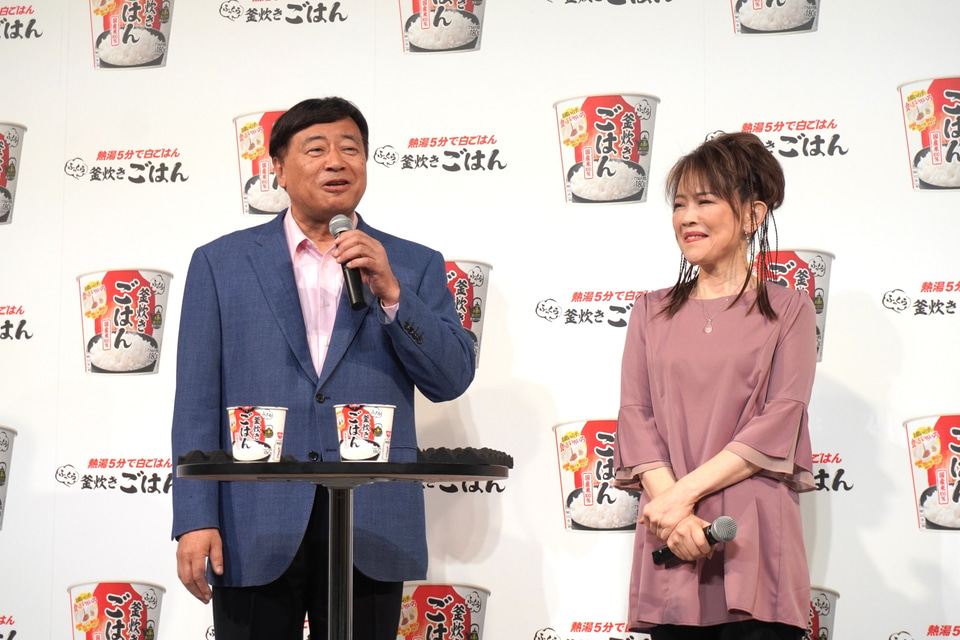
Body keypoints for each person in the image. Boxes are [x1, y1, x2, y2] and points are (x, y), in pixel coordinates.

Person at [171, 97, 476, 640]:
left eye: (350, 149)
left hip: (371, 519)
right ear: (278, 169)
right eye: (316, 149)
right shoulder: (220, 264)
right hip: (253, 519)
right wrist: (196, 517)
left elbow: (451, 379)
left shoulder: (412, 264)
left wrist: (393, 295)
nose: (337, 161)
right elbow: (196, 401)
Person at [613, 132, 817, 640]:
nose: (687, 217)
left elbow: (782, 418)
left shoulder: (789, 310)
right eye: (679, 204)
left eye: (705, 201)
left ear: (752, 215)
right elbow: (635, 416)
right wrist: (675, 515)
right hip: (672, 538)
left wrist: (678, 498)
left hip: (752, 537)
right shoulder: (649, 311)